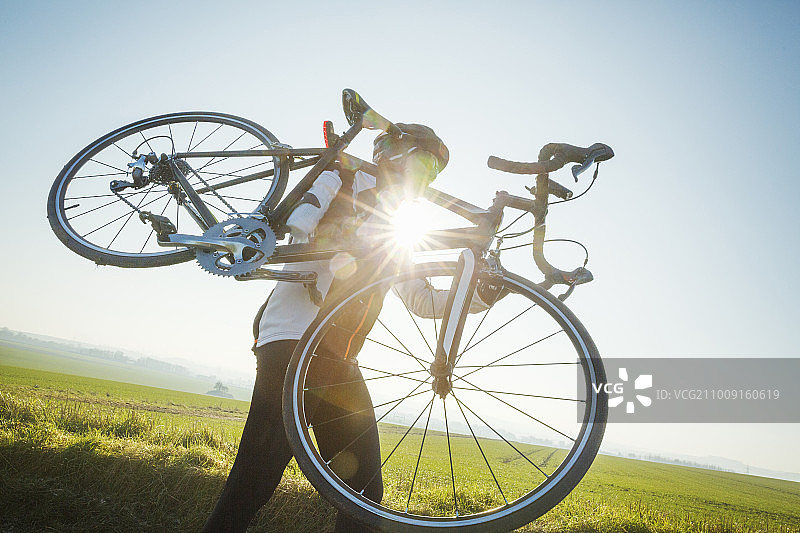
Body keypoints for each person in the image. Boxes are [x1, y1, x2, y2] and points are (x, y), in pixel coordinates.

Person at [203, 124, 497, 532]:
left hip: (339, 356)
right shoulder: (345, 175)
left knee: (362, 494)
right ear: (395, 151)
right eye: (426, 162)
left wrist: (482, 295)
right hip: (292, 339)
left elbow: (423, 299)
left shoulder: (398, 227)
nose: (428, 177)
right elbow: (298, 220)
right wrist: (342, 230)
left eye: (435, 172)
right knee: (256, 474)